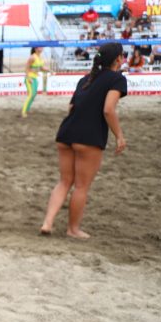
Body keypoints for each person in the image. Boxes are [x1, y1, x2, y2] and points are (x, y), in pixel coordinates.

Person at [40, 43, 127, 239]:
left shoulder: (85, 79)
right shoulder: (117, 79)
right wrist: (119, 135)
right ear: (118, 59)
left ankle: (48, 222)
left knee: (64, 182)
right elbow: (108, 110)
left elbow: (70, 108)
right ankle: (73, 230)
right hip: (89, 136)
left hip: (66, 132)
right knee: (81, 186)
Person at [21, 47, 45, 118]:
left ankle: (27, 109)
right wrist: (28, 78)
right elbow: (26, 68)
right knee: (31, 94)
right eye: (40, 47)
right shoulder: (32, 57)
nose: (42, 48)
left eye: (42, 47)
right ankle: (23, 112)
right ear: (35, 49)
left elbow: (41, 68)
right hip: (30, 78)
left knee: (33, 95)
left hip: (35, 78)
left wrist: (49, 70)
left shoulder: (40, 57)